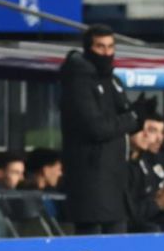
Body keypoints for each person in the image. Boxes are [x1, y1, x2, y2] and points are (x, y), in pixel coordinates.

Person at [60, 25, 143, 235]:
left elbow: (125, 116)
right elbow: (96, 128)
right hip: (91, 183)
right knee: (93, 242)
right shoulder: (78, 80)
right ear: (88, 48)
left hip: (116, 181)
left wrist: (137, 116)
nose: (106, 53)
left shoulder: (113, 81)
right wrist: (132, 119)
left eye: (110, 47)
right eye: (100, 47)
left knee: (118, 249)